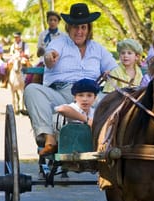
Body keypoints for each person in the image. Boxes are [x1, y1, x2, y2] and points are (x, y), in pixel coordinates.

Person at [24, 3, 117, 156]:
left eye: (83, 27)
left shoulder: (98, 48)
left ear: (88, 29)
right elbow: (49, 55)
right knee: (32, 90)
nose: (79, 31)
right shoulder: (59, 43)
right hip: (61, 94)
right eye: (75, 27)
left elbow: (115, 70)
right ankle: (49, 138)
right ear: (68, 28)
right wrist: (49, 57)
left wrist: (114, 72)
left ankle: (115, 140)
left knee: (117, 101)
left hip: (92, 96)